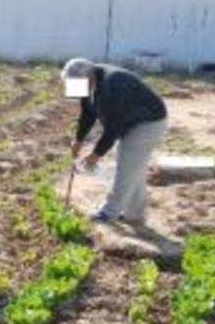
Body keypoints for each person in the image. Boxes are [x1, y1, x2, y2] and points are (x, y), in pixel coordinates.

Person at [64, 58, 168, 224]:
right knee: (134, 170)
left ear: (88, 76)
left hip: (148, 123)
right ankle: (133, 214)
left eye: (76, 83)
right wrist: (79, 140)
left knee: (125, 166)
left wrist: (96, 155)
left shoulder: (114, 84)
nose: (75, 88)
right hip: (133, 121)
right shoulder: (89, 82)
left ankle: (108, 213)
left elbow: (114, 127)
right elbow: (87, 114)